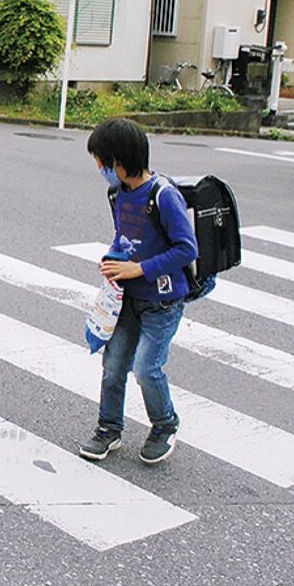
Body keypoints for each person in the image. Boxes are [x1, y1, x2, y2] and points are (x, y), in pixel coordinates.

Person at [80, 118, 197, 466]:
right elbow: (124, 237)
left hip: (162, 302)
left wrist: (139, 269)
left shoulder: (164, 195)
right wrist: (113, 259)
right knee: (113, 365)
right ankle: (108, 429)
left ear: (119, 161)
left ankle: (164, 425)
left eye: (101, 161)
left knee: (147, 368)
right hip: (128, 297)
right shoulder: (117, 192)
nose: (100, 168)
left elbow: (187, 248)